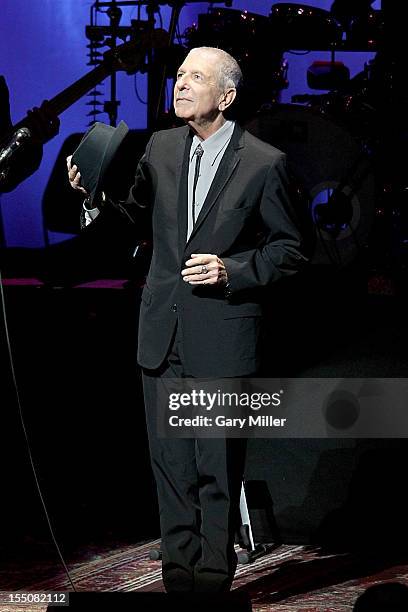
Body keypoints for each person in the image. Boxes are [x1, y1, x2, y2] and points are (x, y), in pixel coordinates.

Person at [67, 46, 308, 593]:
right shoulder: (162, 146)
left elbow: (292, 248)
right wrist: (93, 199)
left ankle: (213, 582)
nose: (179, 85)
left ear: (225, 96)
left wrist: (232, 270)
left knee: (216, 471)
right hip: (161, 334)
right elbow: (135, 219)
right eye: (179, 75)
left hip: (222, 336)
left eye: (195, 77)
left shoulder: (263, 163)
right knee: (170, 469)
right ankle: (179, 579)